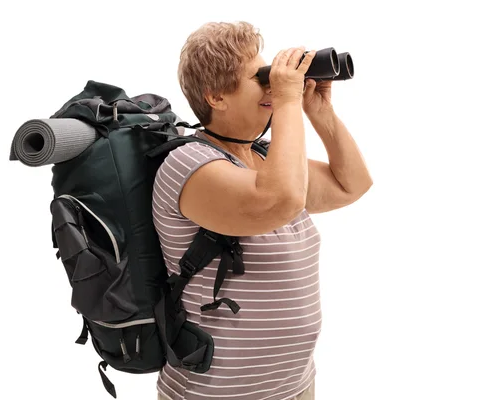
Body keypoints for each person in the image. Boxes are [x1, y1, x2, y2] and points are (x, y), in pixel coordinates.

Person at [152, 21, 373, 400]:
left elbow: (351, 185)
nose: (273, 85)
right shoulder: (187, 164)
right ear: (217, 96)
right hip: (216, 394)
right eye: (262, 78)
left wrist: (318, 112)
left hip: (294, 385)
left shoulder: (266, 156)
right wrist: (288, 101)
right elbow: (280, 201)